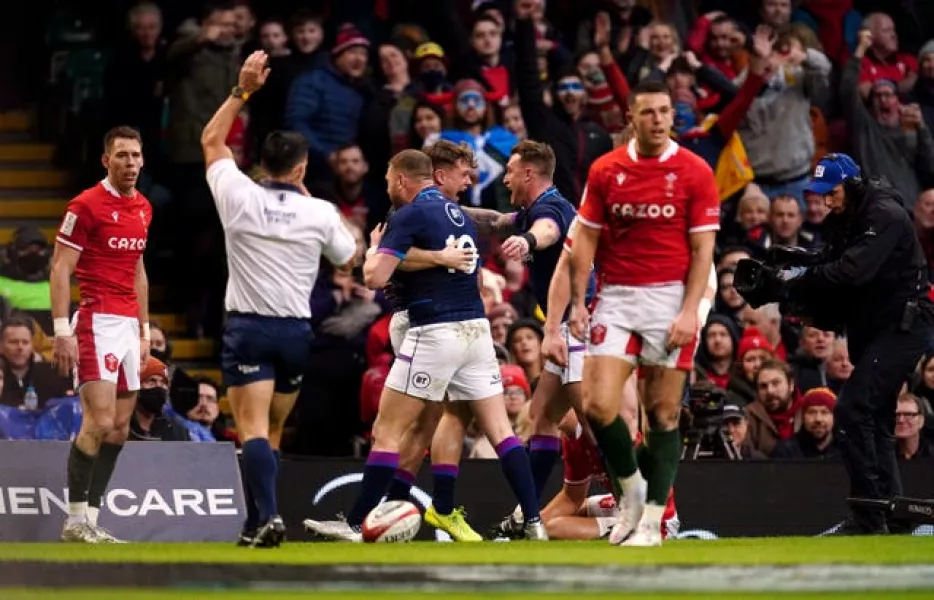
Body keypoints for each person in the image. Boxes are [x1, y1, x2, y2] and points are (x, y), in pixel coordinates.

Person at [307, 150, 546, 542]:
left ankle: (355, 524)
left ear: (402, 179)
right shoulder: (458, 216)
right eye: (464, 174)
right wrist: (436, 256)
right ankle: (533, 521)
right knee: (497, 430)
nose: (469, 180)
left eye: (387, 178)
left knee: (389, 430)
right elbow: (449, 253)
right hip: (476, 331)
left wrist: (376, 249)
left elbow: (372, 276)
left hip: (432, 330)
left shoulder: (407, 215)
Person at [200, 51, 358, 547]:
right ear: (302, 167)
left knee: (250, 428)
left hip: (248, 330)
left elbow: (210, 140)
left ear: (260, 163)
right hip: (295, 334)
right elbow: (350, 258)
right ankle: (256, 521)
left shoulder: (237, 193)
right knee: (271, 432)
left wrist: (242, 90)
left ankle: (267, 517)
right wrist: (309, 202)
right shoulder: (320, 212)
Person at [566, 79, 720, 547]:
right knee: (598, 406)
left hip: (672, 297)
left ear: (673, 115)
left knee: (663, 413)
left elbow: (703, 248)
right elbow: (585, 237)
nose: (658, 120)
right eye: (648, 112)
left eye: (664, 111)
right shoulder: (606, 169)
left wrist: (691, 310)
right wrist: (577, 301)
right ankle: (632, 491)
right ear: (630, 118)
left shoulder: (695, 171)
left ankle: (654, 521)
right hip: (616, 297)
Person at [776, 153, 934, 534]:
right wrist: (785, 268)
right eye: (820, 195)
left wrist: (797, 277)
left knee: (852, 409)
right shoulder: (843, 219)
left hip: (904, 324)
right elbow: (829, 260)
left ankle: (867, 513)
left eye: (830, 193)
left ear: (851, 185)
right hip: (872, 323)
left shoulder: (886, 216)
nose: (825, 202)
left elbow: (850, 271)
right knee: (875, 417)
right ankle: (891, 517)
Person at [457, 140, 594, 501]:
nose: (505, 181)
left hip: (579, 325)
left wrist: (529, 241)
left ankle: (636, 500)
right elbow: (496, 221)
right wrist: (447, 209)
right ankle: (527, 511)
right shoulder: (537, 208)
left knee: (596, 422)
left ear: (529, 173)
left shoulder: (549, 209)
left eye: (511, 172)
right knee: (543, 418)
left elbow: (549, 231)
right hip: (565, 326)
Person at [50, 126, 153, 544]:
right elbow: (59, 268)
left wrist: (146, 331)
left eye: (136, 156)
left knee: (121, 428)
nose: (130, 163)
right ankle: (73, 521)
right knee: (101, 419)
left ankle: (91, 521)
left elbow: (138, 269)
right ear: (105, 160)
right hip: (96, 321)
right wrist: (61, 331)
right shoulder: (86, 205)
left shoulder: (144, 207)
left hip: (129, 325)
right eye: (122, 156)